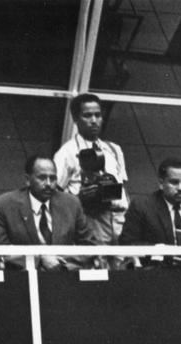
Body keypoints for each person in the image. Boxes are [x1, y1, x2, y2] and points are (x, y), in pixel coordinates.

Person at [0, 155, 97, 270]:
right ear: (27, 180)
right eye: (42, 178)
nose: (49, 184)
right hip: (22, 277)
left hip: (62, 274)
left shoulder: (71, 204)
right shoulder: (4, 204)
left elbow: (89, 246)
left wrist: (61, 264)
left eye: (53, 178)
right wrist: (39, 259)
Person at [53, 93, 129, 247]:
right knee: (97, 266)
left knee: (121, 268)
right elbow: (54, 195)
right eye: (87, 116)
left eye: (98, 115)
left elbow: (123, 187)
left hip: (119, 219)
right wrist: (79, 197)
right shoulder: (66, 153)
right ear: (75, 119)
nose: (94, 121)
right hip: (91, 219)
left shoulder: (114, 149)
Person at [120, 157, 181, 265]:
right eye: (174, 182)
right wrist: (161, 253)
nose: (180, 188)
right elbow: (128, 243)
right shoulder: (142, 207)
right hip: (157, 272)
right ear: (161, 184)